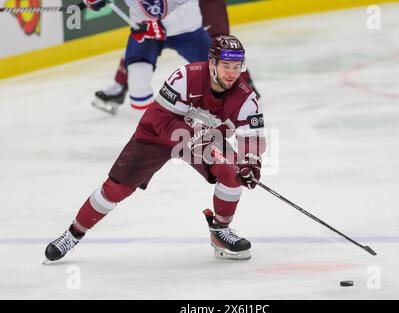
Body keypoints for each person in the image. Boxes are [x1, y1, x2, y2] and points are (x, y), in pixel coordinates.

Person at [44, 35, 266, 262]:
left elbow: (252, 139)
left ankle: (220, 232)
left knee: (233, 172)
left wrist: (250, 164)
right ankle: (73, 234)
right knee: (115, 189)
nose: (231, 73)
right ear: (212, 63)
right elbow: (161, 119)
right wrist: (189, 138)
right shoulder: (186, 77)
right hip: (156, 136)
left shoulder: (246, 99)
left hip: (205, 141)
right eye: (226, 66)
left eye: (236, 67)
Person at [93, 0, 260, 114]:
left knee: (217, 41)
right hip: (158, 16)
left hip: (191, 17)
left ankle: (241, 84)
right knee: (142, 41)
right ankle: (122, 83)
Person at [85, 0, 211, 114]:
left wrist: (154, 23)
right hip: (146, 33)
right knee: (138, 82)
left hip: (186, 30)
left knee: (221, 72)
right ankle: (152, 126)